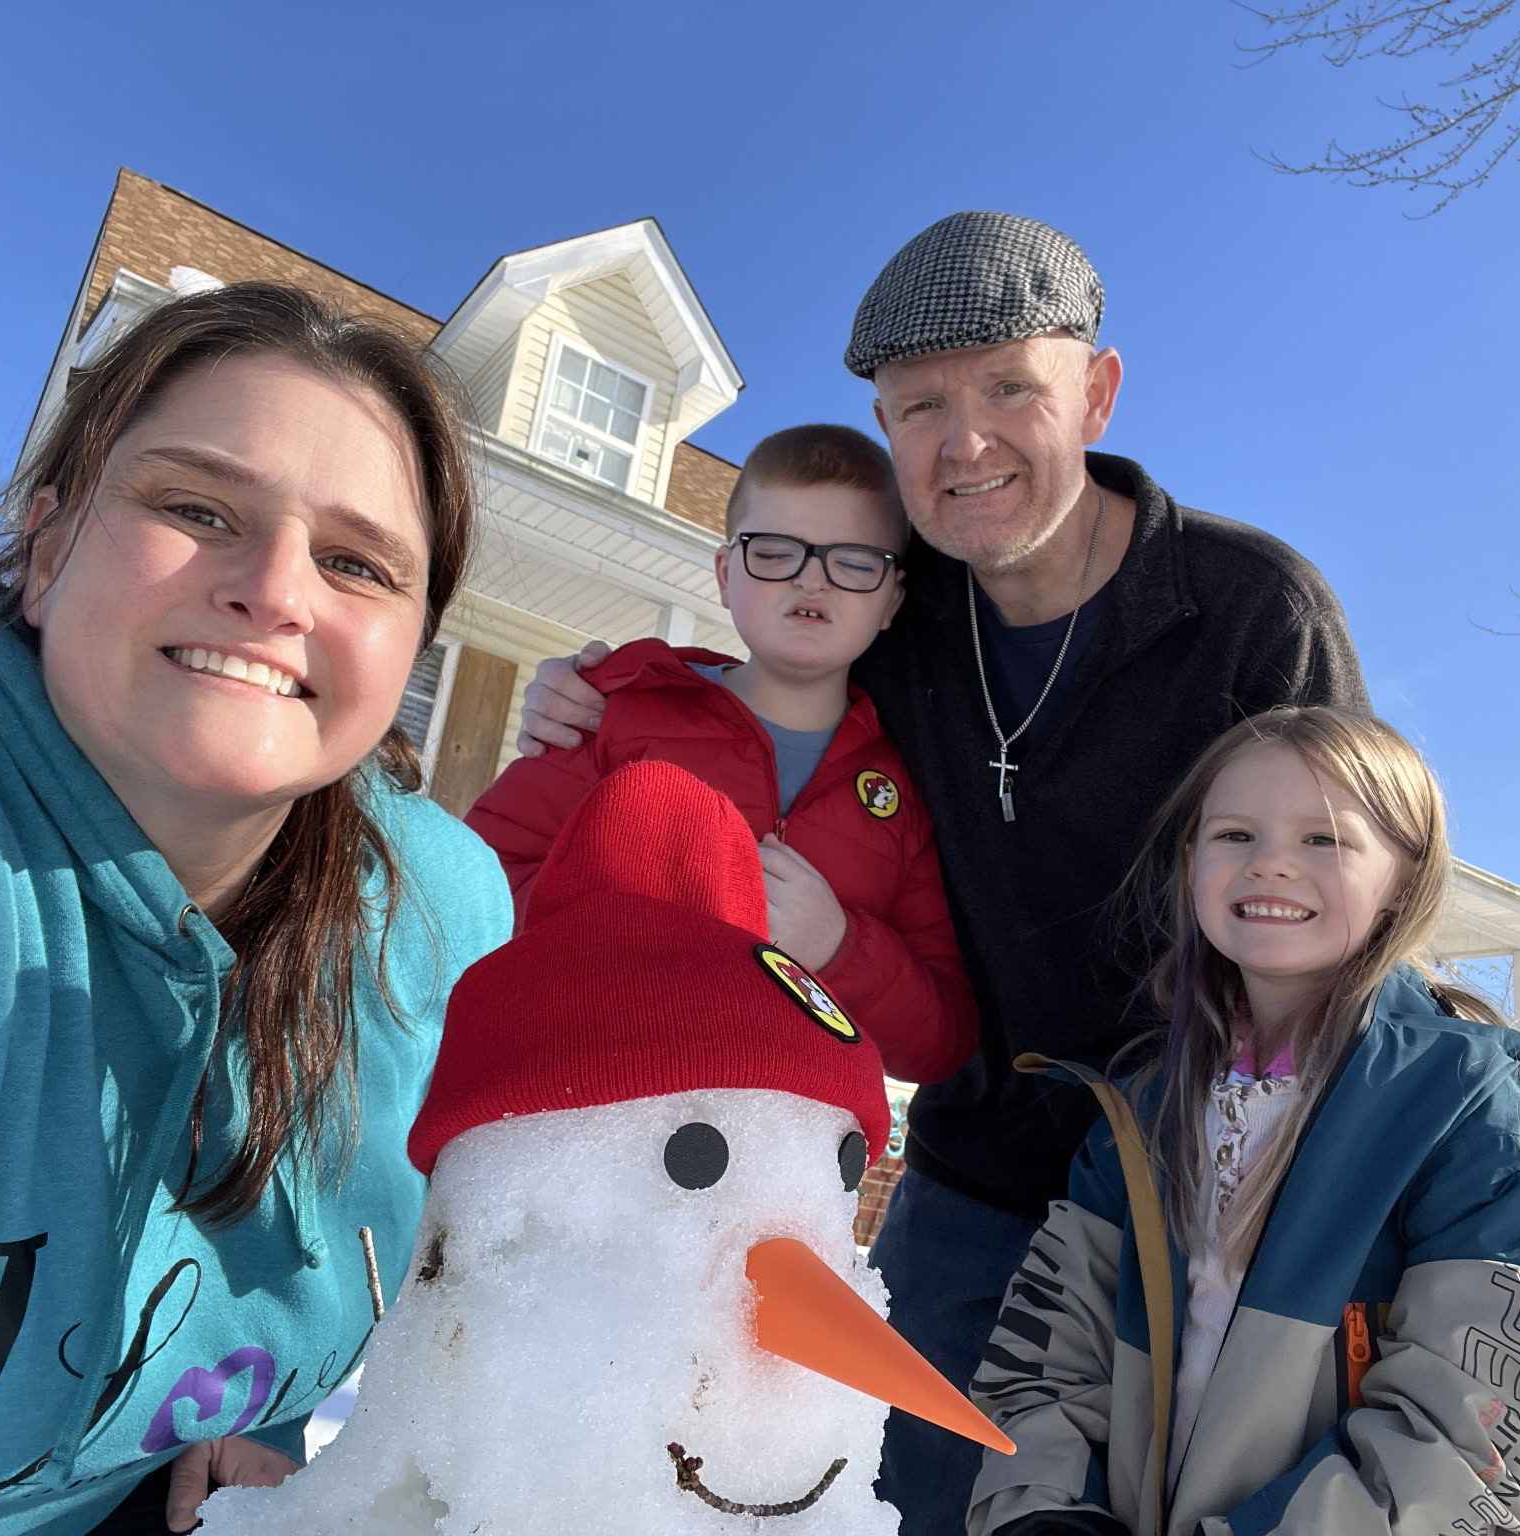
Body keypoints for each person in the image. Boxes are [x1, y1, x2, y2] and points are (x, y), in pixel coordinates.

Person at [516, 212, 1369, 1532]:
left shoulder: (1249, 611)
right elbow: (767, 670)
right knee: (922, 1504)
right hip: (972, 1188)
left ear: (1096, 393)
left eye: (1009, 390)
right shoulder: (899, 613)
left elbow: (1352, 902)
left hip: (1211, 1201)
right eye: (921, 407)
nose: (964, 444)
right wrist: (598, 695)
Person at [0, 284, 513, 1535]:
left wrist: (257, 1414)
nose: (275, 591)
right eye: (197, 509)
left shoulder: (439, 914)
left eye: (354, 563)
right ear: (46, 549)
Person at [966, 706, 1520, 1536]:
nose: (1270, 862)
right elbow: (1048, 1356)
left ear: (1404, 878)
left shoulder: (1462, 1102)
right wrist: (1048, 1513)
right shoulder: (1140, 1114)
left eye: (1324, 839)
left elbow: (1502, 1399)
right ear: (1189, 861)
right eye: (1234, 834)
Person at [466, 424, 976, 1085]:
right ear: (725, 574)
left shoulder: (905, 793)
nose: (811, 581)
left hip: (780, 1138)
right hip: (589, 1100)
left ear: (891, 601)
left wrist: (838, 947)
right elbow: (468, 894)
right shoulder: (616, 712)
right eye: (774, 552)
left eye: (854, 562)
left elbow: (940, 1042)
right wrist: (631, 899)